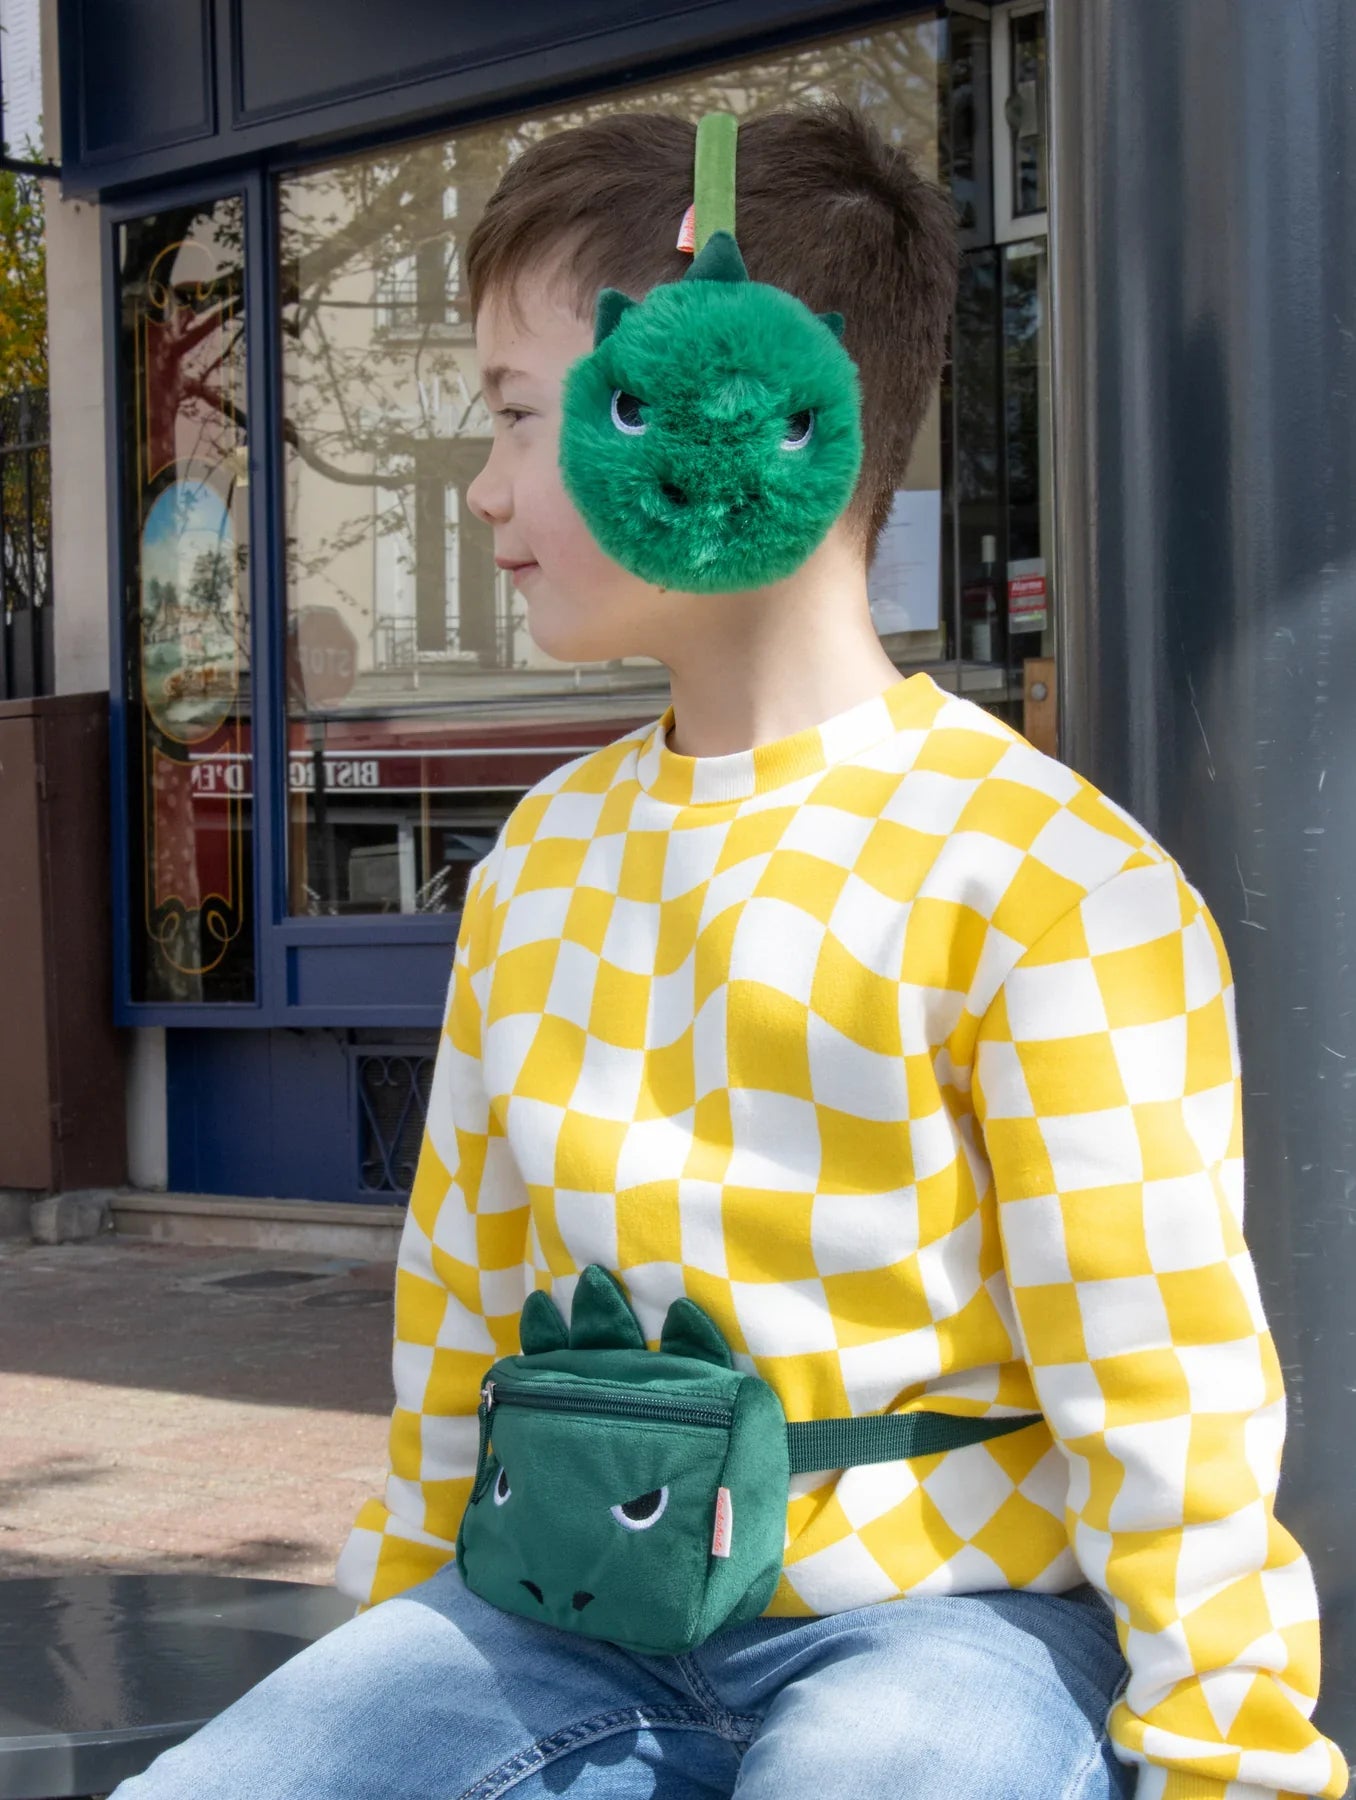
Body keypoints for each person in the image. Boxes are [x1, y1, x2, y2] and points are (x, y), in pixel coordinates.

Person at [112, 99, 1347, 1800]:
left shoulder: (1042, 879)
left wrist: (1230, 1759)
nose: (482, 489)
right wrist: (394, 1630)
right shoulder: (537, 861)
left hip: (955, 1620)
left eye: (520, 414)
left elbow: (1164, 1379)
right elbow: (461, 1303)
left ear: (740, 393)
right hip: (561, 1600)